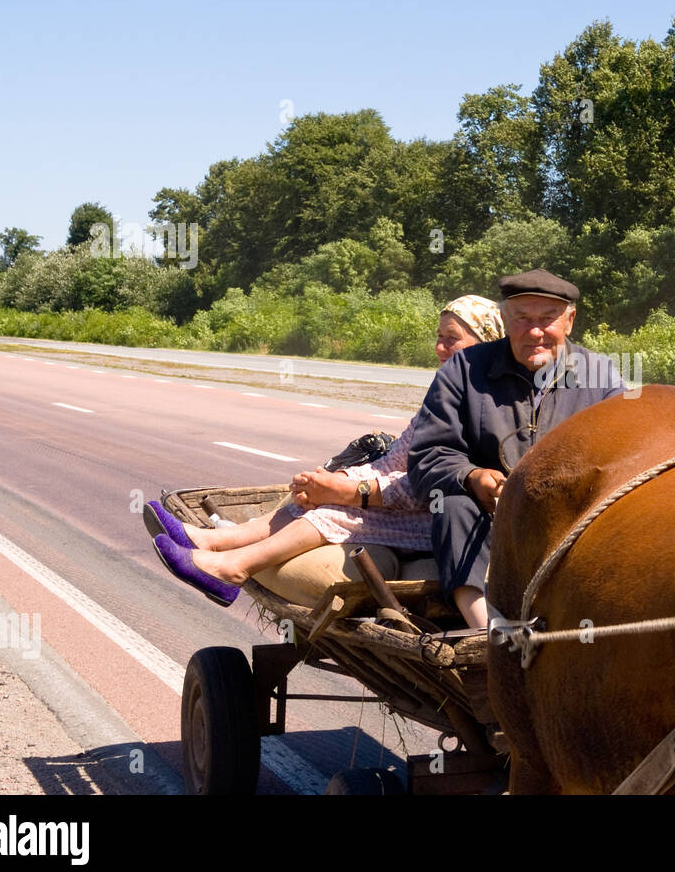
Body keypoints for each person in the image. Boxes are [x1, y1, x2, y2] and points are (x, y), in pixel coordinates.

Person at [146, 295, 505, 607]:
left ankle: (233, 569)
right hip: (419, 507)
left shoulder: (489, 405)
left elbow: (431, 484)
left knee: (337, 508)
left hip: (450, 519)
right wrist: (338, 478)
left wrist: (351, 494)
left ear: (485, 343)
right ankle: (216, 540)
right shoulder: (445, 393)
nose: (440, 348)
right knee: (321, 495)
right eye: (439, 338)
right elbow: (394, 461)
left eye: (452, 340)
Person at [409, 268, 626, 628]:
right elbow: (427, 454)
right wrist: (472, 477)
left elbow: (627, 455)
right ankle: (489, 630)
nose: (535, 331)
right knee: (452, 506)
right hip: (489, 522)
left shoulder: (600, 376)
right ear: (505, 320)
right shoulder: (465, 369)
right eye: (522, 318)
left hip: (571, 521)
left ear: (569, 321)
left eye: (547, 319)